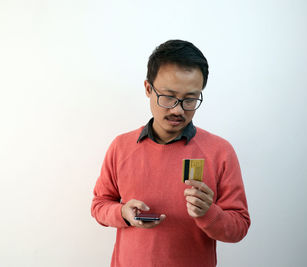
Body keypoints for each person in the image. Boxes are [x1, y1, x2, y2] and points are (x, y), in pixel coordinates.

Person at [91, 39, 250, 267]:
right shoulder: (121, 146)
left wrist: (209, 212)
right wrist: (123, 212)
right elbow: (99, 205)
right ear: (148, 88)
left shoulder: (220, 152)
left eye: (190, 99)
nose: (178, 109)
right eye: (168, 96)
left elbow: (239, 227)